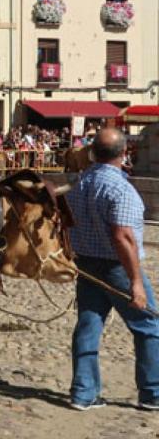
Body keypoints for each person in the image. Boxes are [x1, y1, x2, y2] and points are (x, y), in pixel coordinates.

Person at [67, 128, 159, 411]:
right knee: (149, 327)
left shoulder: (80, 184)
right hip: (116, 265)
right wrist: (136, 283)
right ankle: (153, 392)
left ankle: (83, 393)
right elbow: (123, 237)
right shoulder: (120, 188)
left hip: (87, 263)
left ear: (93, 152)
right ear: (124, 153)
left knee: (88, 325)